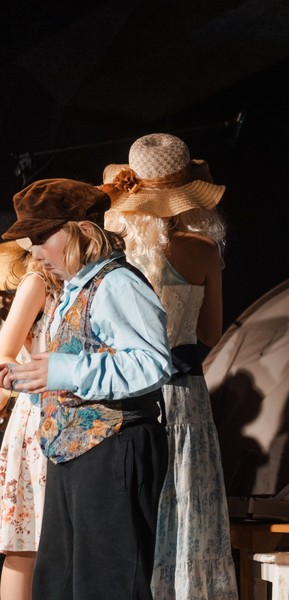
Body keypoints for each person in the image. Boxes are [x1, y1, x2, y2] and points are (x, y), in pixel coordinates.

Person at [0, 178, 172, 599]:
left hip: (113, 447)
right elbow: (79, 366)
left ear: (82, 231)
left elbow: (152, 364)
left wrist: (63, 370)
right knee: (59, 585)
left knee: (108, 585)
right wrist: (31, 378)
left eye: (42, 237)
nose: (35, 253)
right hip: (72, 453)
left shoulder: (118, 283)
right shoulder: (74, 291)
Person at [100, 132, 238, 600]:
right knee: (188, 505)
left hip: (127, 395)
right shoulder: (203, 249)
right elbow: (211, 333)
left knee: (135, 508)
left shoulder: (114, 255)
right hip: (184, 395)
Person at [0, 248, 60, 600]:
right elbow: (4, 356)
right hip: (39, 419)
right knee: (25, 546)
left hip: (74, 422)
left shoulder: (85, 282)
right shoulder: (38, 282)